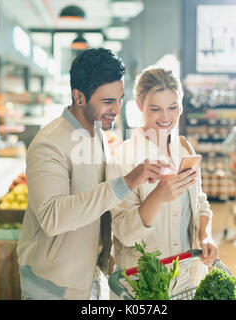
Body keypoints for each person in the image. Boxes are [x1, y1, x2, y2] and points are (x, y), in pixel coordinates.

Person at [16, 48, 171, 300]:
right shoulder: (49, 144)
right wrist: (127, 182)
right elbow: (52, 217)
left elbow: (97, 202)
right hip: (52, 284)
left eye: (120, 99)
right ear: (79, 97)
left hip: (87, 277)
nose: (117, 109)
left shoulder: (95, 131)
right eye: (107, 101)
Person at [106, 68, 219, 297]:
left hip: (186, 279)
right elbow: (123, 233)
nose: (166, 117)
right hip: (142, 284)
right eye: (155, 109)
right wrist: (157, 196)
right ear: (139, 105)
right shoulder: (124, 158)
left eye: (173, 107)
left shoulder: (184, 149)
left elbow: (199, 202)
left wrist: (205, 236)